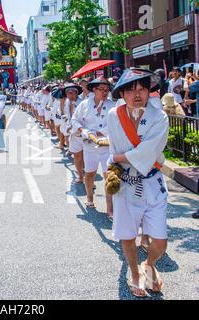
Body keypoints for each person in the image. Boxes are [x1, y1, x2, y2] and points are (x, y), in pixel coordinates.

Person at [107, 68, 169, 298]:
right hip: (126, 182)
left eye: (142, 88)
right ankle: (134, 272)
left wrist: (117, 158)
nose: (137, 94)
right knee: (127, 234)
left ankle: (150, 263)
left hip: (152, 182)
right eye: (131, 89)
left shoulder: (159, 116)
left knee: (160, 241)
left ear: (149, 91)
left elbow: (149, 150)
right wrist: (113, 164)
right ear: (122, 93)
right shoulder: (113, 115)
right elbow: (114, 147)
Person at [72, 77, 115, 219]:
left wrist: (99, 133)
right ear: (94, 90)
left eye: (107, 90)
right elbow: (75, 120)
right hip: (89, 146)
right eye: (101, 89)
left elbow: (116, 123)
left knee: (108, 176)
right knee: (89, 174)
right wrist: (83, 130)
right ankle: (89, 198)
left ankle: (110, 209)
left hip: (106, 146)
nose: (105, 92)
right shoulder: (84, 105)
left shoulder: (112, 106)